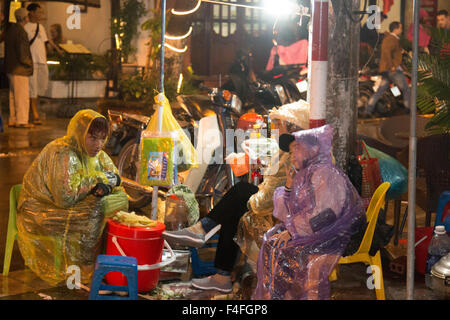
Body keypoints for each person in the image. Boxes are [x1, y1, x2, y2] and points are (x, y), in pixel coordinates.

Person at [163, 103, 308, 293]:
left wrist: (254, 197)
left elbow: (270, 199)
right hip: (278, 203)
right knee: (234, 208)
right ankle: (220, 274)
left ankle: (204, 232)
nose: (276, 128)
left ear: (293, 128)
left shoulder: (296, 155)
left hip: (283, 212)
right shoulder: (288, 149)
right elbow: (271, 167)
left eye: (280, 124)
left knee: (240, 194)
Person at [17, 109, 129, 285]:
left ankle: (104, 263)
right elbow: (64, 198)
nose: (98, 144)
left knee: (120, 200)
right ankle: (85, 272)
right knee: (95, 210)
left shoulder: (95, 153)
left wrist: (106, 186)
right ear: (79, 133)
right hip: (41, 210)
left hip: (66, 206)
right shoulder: (63, 153)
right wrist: (97, 181)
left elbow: (115, 177)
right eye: (93, 138)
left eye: (102, 138)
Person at [252, 125, 365, 300]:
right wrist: (288, 187)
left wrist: (293, 232)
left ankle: (282, 296)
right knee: (271, 240)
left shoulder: (324, 173)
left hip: (334, 236)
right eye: (290, 152)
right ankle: (279, 296)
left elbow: (326, 215)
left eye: (296, 148)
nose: (292, 155)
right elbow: (286, 215)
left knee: (282, 250)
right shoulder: (304, 175)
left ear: (315, 149)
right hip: (315, 232)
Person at [364, 21, 411, 118]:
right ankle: (408, 109)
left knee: (380, 90)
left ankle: (368, 109)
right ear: (396, 29)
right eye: (401, 28)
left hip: (388, 69)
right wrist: (392, 66)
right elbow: (386, 53)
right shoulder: (391, 39)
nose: (401, 30)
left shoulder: (392, 39)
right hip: (392, 70)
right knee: (406, 89)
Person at [5, 8, 34, 128]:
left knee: (13, 96)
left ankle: (13, 119)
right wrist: (29, 64)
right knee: (22, 96)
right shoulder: (21, 32)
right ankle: (22, 121)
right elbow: (23, 52)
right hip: (20, 69)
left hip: (10, 67)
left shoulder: (10, 30)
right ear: (24, 18)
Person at [24, 3, 49, 125]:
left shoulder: (41, 27)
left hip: (42, 60)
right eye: (38, 12)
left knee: (41, 86)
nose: (40, 15)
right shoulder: (26, 27)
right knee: (32, 87)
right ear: (32, 12)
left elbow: (45, 43)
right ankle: (34, 113)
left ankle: (34, 110)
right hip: (32, 61)